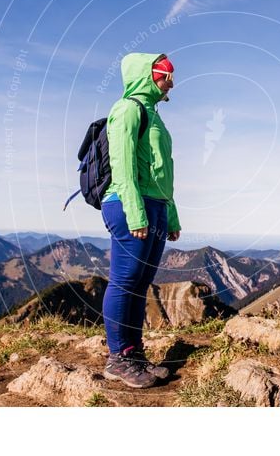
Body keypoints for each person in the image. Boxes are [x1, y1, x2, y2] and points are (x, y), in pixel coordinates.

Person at [100, 52, 181, 389]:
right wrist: (135, 212)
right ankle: (118, 358)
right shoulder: (127, 109)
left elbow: (164, 171)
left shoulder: (153, 115)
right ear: (148, 75)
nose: (171, 80)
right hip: (130, 203)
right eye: (165, 73)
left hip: (155, 205)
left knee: (141, 281)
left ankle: (134, 355)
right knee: (125, 280)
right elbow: (122, 166)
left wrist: (171, 215)